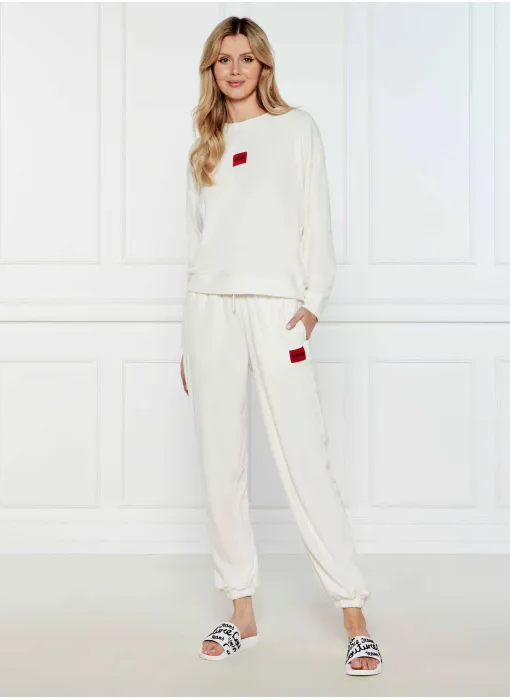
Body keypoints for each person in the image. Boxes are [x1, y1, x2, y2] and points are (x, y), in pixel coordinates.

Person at [179, 16, 382, 676]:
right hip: (210, 311)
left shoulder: (297, 130)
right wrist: (187, 338)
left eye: (246, 58)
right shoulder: (205, 145)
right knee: (220, 464)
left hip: (276, 310)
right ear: (211, 71)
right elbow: (195, 246)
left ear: (264, 66)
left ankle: (353, 614)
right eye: (223, 60)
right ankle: (240, 611)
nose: (234, 70)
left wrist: (313, 302)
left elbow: (317, 221)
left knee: (305, 458)